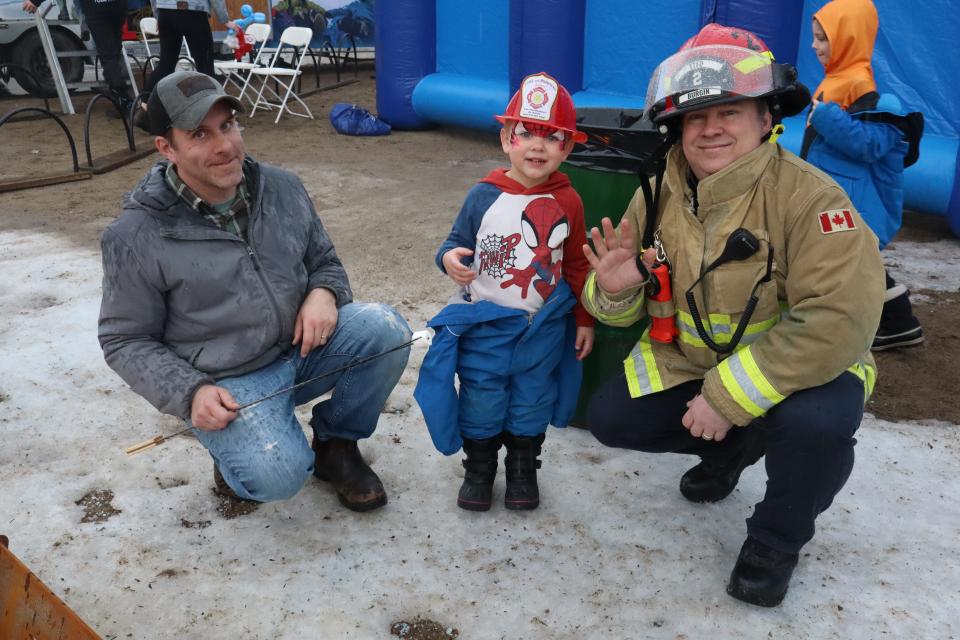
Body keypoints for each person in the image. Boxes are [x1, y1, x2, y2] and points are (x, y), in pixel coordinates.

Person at [582, 24, 885, 607]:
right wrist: (615, 290)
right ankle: (733, 450)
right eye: (695, 116)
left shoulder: (813, 199)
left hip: (805, 374)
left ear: (765, 115)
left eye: (730, 110)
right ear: (676, 127)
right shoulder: (655, 192)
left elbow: (839, 321)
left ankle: (776, 539)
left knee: (813, 427)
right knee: (614, 418)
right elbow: (622, 314)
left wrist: (726, 398)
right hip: (694, 362)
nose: (711, 127)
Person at [98, 70, 411, 512]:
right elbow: (124, 339)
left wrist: (323, 292)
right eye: (200, 135)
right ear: (167, 148)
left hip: (302, 351)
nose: (224, 145)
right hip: (227, 384)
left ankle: (337, 447)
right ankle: (232, 455)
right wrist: (192, 394)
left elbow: (324, 261)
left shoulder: (281, 187)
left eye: (227, 125)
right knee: (277, 474)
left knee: (386, 330)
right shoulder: (136, 235)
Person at [414, 72, 595, 512]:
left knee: (533, 398)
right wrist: (450, 260)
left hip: (544, 328)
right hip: (487, 324)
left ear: (567, 148)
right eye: (526, 133)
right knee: (481, 395)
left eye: (552, 137)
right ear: (505, 139)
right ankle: (479, 468)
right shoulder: (483, 195)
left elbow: (575, 263)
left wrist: (586, 318)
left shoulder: (570, 200)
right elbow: (452, 243)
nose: (538, 145)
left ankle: (521, 467)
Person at [802, 0, 924, 350]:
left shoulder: (863, 89)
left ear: (848, 38)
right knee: (850, 265)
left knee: (856, 266)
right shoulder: (837, 81)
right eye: (814, 38)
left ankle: (898, 322)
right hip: (838, 197)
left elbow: (870, 145)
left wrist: (824, 116)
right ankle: (890, 324)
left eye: (823, 39)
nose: (815, 46)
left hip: (859, 202)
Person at [22, 0, 135, 113]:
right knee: (114, 51)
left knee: (109, 56)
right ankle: (123, 95)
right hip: (117, 7)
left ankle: (123, 100)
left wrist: (35, 1)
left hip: (98, 8)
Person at [142, 0, 237, 95]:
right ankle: (211, 104)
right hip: (194, 11)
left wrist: (158, 15)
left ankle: (145, 99)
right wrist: (224, 19)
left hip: (166, 12)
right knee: (205, 65)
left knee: (165, 65)